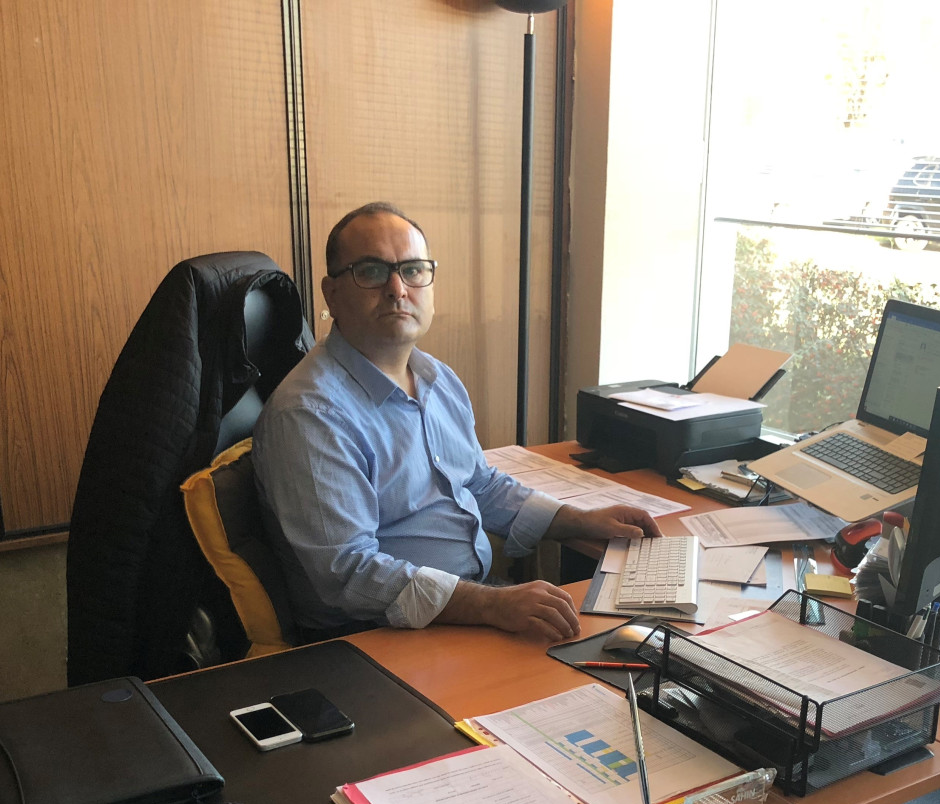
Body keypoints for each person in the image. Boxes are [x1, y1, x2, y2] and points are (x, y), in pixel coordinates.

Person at [252, 201, 659, 642]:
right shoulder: (311, 414)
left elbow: (479, 484)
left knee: (629, 649)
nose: (397, 288)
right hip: (373, 635)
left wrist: (580, 520)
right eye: (371, 271)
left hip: (468, 605)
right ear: (331, 293)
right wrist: (493, 605)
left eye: (412, 270)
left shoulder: (435, 378)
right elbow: (348, 574)